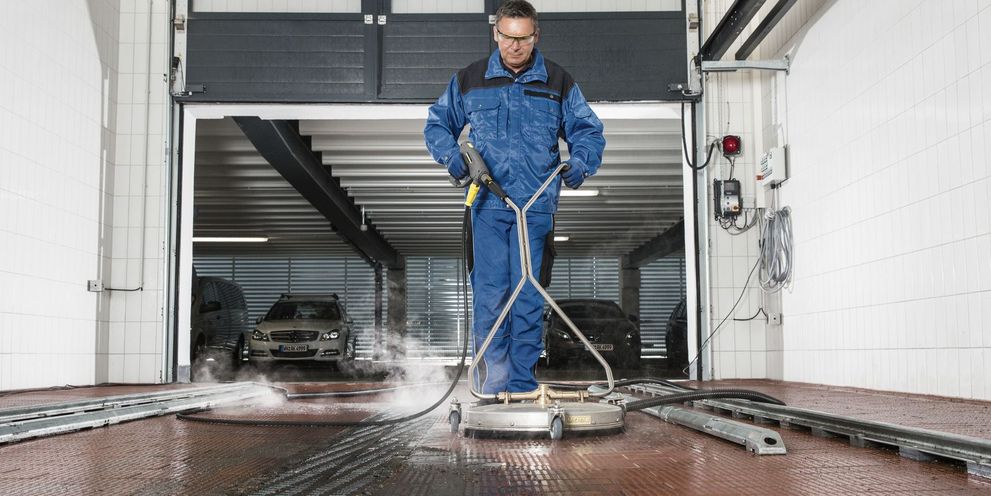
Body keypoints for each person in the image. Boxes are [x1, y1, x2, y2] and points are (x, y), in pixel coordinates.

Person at [424, 0, 606, 395]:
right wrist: (454, 158)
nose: (515, 46)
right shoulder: (470, 79)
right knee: (491, 295)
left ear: (535, 36)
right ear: (496, 33)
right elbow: (437, 124)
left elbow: (588, 131)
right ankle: (491, 385)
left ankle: (521, 385)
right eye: (508, 37)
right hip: (489, 206)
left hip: (536, 205)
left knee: (527, 297)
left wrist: (581, 162)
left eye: (523, 38)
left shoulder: (558, 82)